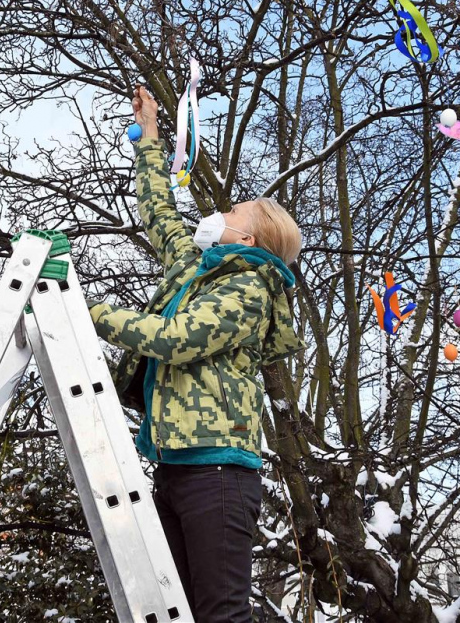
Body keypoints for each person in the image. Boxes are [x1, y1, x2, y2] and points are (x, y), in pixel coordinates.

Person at [89, 87, 305, 621]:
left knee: (219, 612)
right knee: (174, 610)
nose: (218, 212)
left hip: (219, 472)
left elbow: (175, 338)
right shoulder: (197, 271)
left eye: (233, 211)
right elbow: (160, 214)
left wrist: (90, 312)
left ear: (253, 236)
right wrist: (151, 143)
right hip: (175, 465)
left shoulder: (251, 289)